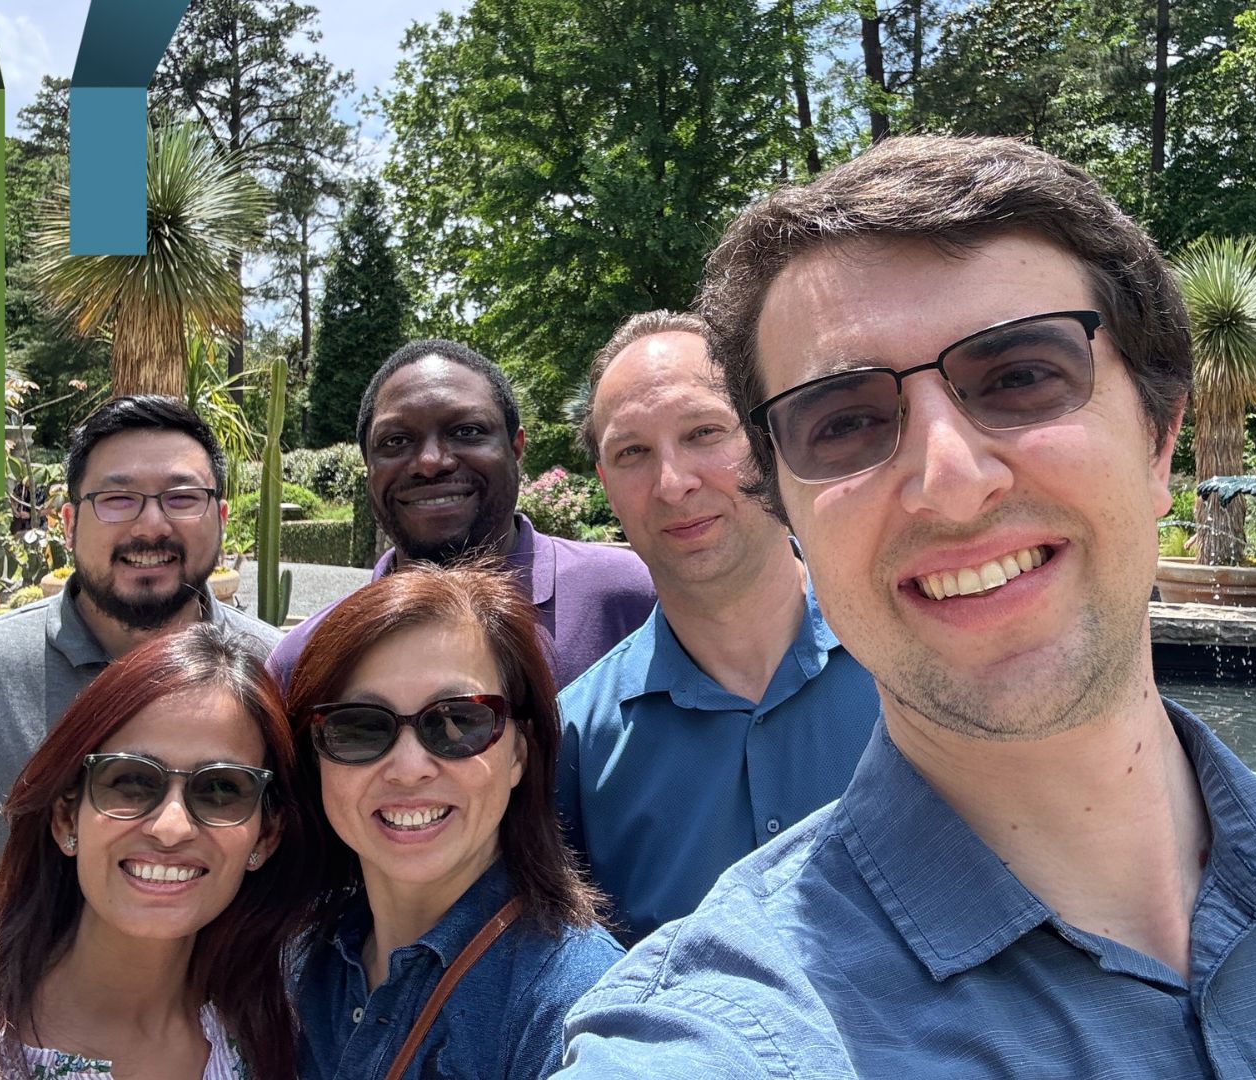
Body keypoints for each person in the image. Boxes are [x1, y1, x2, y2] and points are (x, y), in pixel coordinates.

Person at [559, 135, 1256, 1076]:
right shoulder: (714, 1035)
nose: (949, 479)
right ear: (790, 510)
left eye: (1024, 376)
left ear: (1162, 436)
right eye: (847, 421)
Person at [0, 396, 283, 1079]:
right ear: (68, 523)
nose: (151, 523)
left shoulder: (279, 677)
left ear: (220, 516)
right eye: (117, 499)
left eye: (182, 496)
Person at [0, 623, 310, 1079]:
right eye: (131, 782)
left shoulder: (280, 1036)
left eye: (222, 790)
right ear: (67, 818)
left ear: (265, 836)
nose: (171, 828)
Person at [556, 311, 879, 941]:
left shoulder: (915, 661)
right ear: (605, 486)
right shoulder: (575, 745)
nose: (673, 484)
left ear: (769, 438)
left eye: (704, 432)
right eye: (632, 453)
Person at [284, 563, 624, 1079]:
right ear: (316, 759)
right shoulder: (296, 961)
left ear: (519, 754)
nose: (409, 769)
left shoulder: (575, 1008)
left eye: (458, 722)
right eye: (359, 728)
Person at [267, 339, 655, 690]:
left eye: (466, 431)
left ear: (516, 448)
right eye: (396, 441)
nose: (430, 462)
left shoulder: (634, 602)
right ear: (368, 465)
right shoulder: (303, 662)